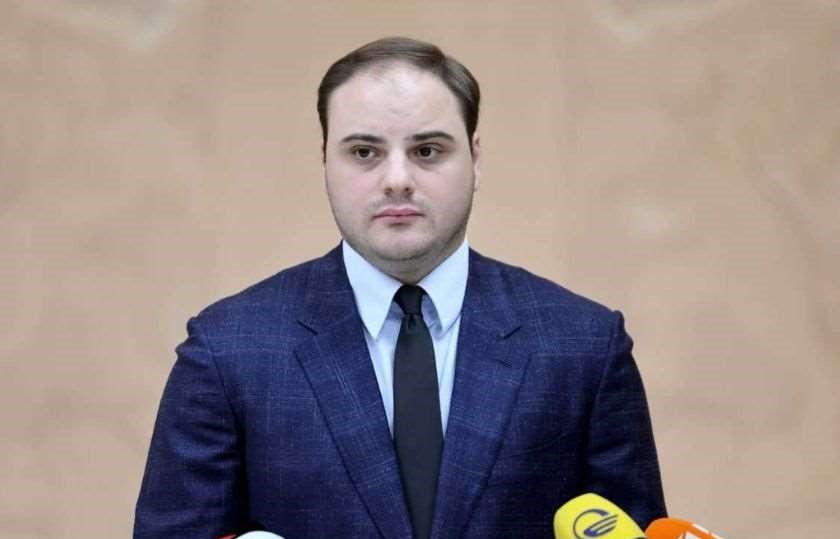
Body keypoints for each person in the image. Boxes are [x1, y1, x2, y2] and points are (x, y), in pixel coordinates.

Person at [134, 37, 666, 539]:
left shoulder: (585, 345)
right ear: (325, 160)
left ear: (476, 159)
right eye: (364, 152)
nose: (397, 179)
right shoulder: (228, 351)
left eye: (427, 151)